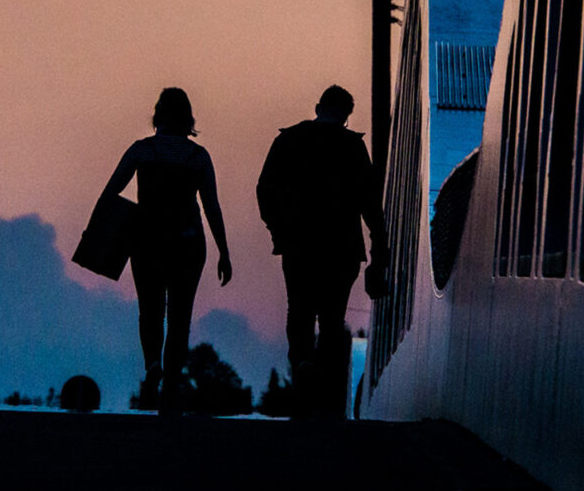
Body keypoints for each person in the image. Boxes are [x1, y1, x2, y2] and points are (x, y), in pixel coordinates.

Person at [256, 84, 389, 417]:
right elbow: (371, 204)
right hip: (342, 247)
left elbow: (264, 189)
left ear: (318, 107)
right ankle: (325, 387)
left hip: (298, 242)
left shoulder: (288, 140)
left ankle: (301, 366)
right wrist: (380, 250)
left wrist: (278, 230)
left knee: (299, 310)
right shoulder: (353, 147)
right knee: (332, 317)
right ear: (346, 116)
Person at [98, 87, 233, 410]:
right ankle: (171, 383)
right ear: (188, 118)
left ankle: (152, 364)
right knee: (180, 316)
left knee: (150, 310)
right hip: (188, 243)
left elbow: (110, 193)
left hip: (147, 240)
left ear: (158, 114)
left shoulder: (141, 150)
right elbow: (211, 206)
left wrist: (100, 237)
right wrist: (224, 251)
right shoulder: (198, 157)